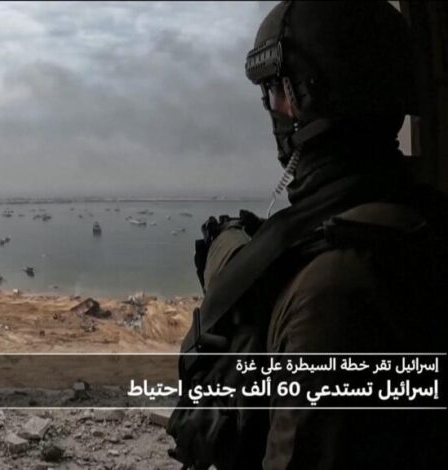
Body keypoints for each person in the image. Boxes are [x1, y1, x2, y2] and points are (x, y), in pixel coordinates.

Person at [167, 2, 447, 469]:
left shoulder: (333, 291)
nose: (272, 107)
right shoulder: (416, 223)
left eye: (277, 89)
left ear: (310, 96)